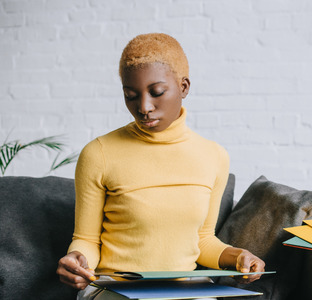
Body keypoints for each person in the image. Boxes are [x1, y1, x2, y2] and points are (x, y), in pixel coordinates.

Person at [56, 33, 265, 299]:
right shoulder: (99, 153)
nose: (143, 107)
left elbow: (202, 240)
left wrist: (239, 257)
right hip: (116, 287)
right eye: (131, 96)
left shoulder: (214, 156)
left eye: (157, 92)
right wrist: (77, 260)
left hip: (185, 290)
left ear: (184, 87)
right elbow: (87, 239)